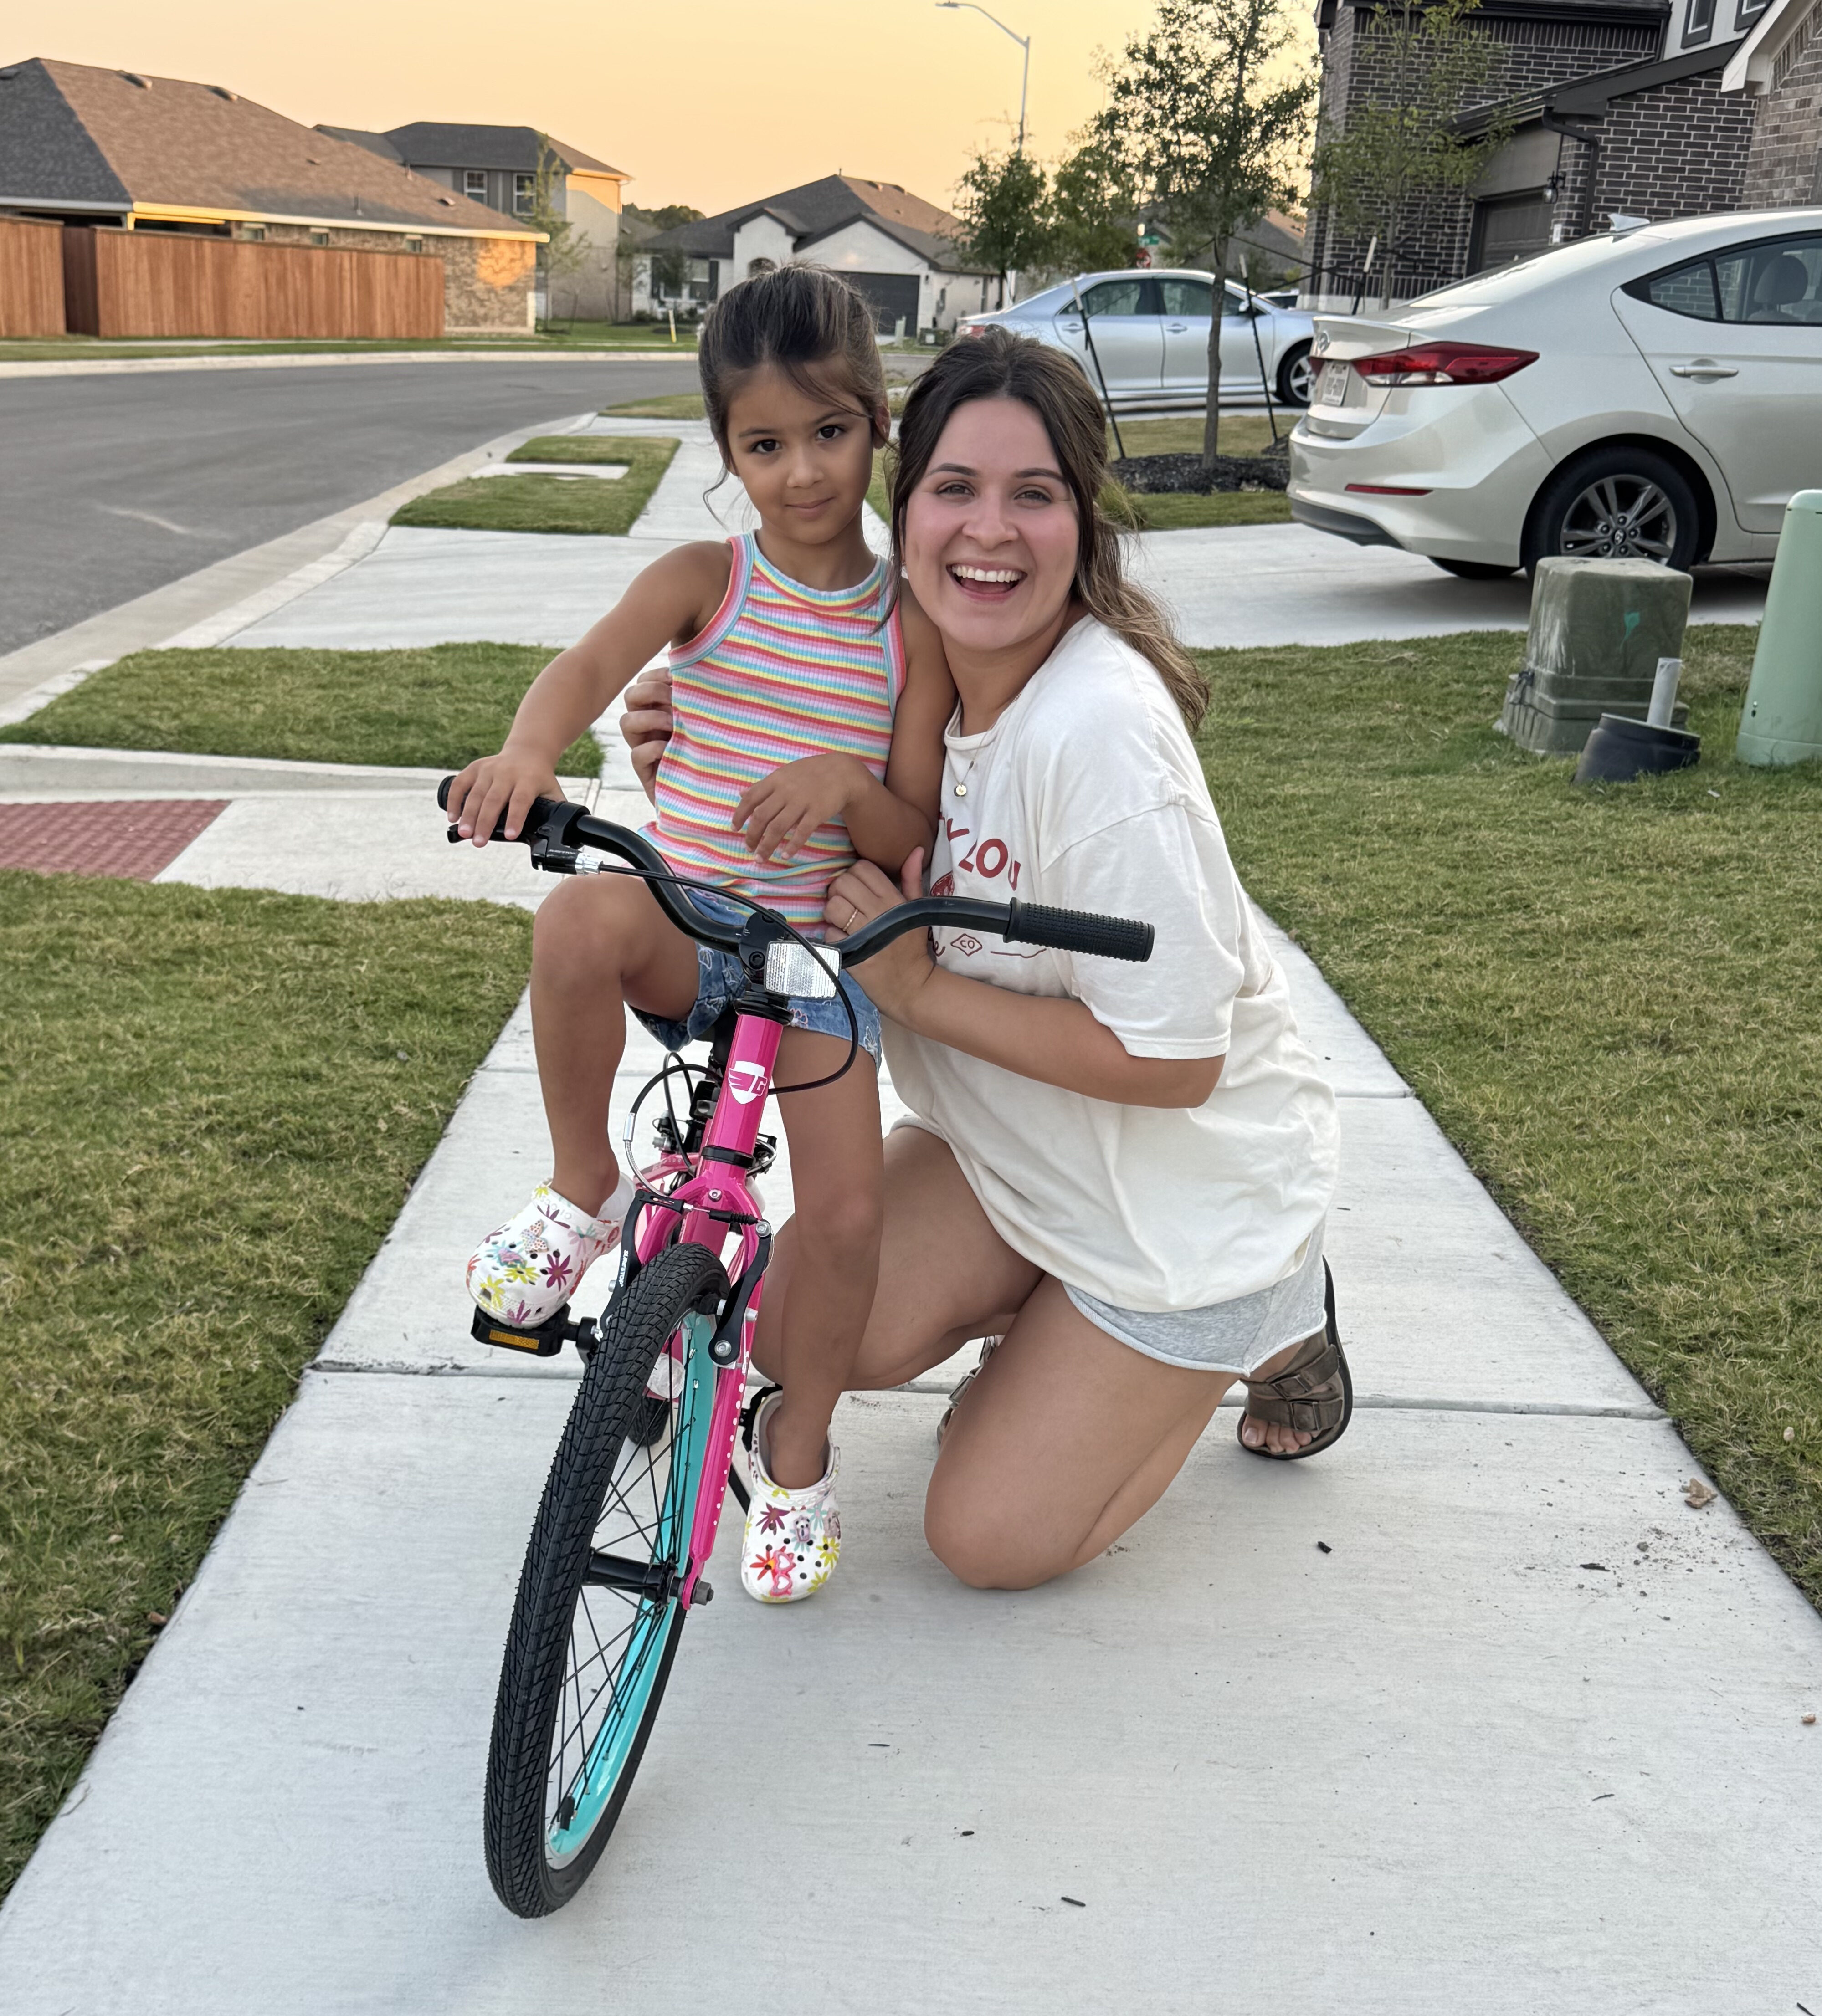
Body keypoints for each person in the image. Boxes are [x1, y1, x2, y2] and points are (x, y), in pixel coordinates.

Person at [623, 327, 1347, 1591]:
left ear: (1083, 522)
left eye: (1036, 494)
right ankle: (1052, 1331)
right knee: (796, 1329)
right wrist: (698, 764)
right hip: (1015, 1156)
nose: (990, 531)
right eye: (956, 488)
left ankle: (1275, 1317)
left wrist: (917, 992)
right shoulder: (886, 678)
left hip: (1185, 1211)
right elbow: (779, 819)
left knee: (988, 1540)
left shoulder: (1100, 737)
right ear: (905, 511)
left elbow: (1176, 1062)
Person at [444, 266, 955, 1605]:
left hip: (816, 974)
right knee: (574, 920)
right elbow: (583, 671)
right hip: (691, 928)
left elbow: (911, 829)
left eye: (830, 434)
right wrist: (527, 755)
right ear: (726, 451)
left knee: (844, 1214)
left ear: (878, 422)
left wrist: (849, 796)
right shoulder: (702, 579)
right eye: (765, 445)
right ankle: (583, 1188)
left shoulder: (911, 626)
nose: (802, 475)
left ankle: (796, 1448)